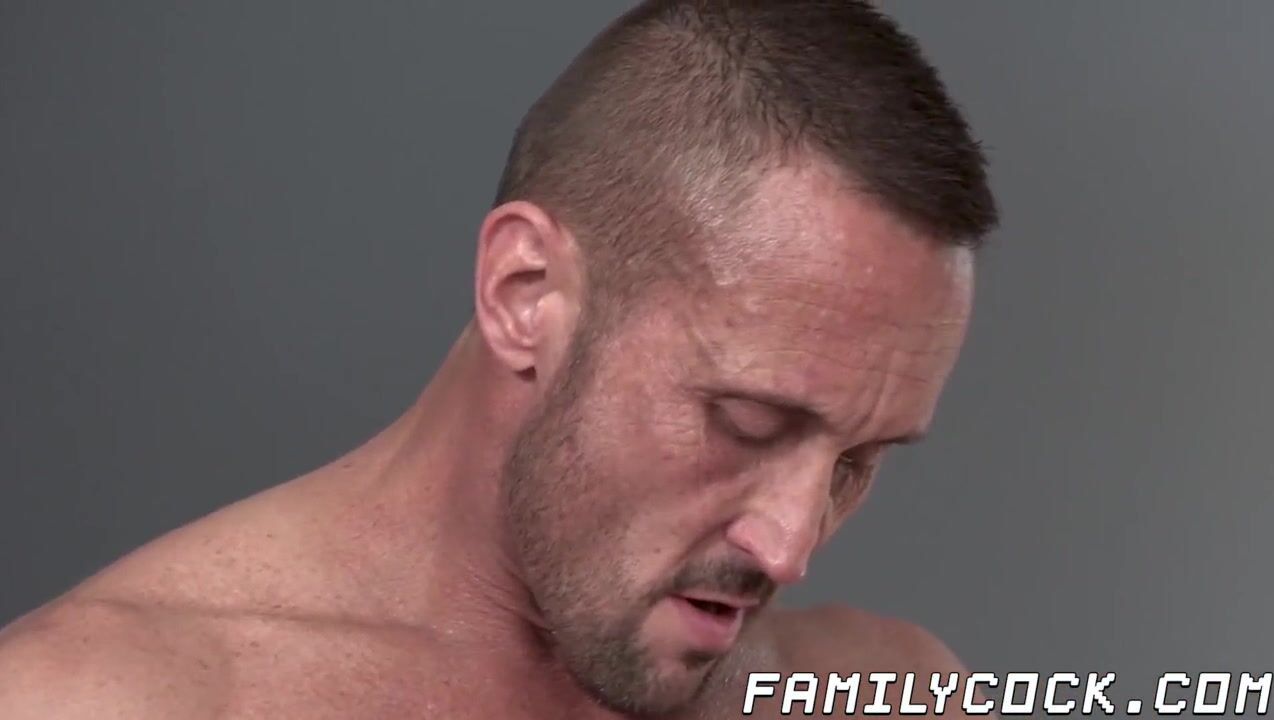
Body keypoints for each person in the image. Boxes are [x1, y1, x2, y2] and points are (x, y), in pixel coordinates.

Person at [0, 1, 999, 717]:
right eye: (746, 422)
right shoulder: (105, 698)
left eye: (855, 462)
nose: (790, 548)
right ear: (527, 295)